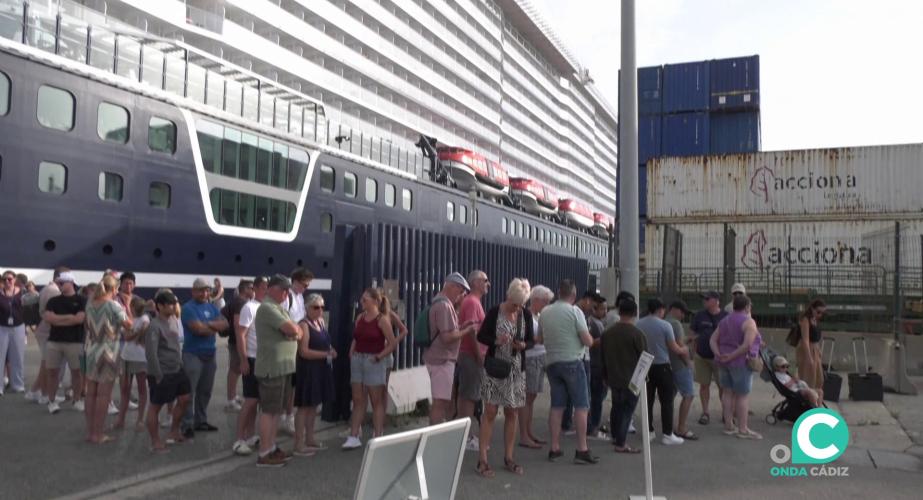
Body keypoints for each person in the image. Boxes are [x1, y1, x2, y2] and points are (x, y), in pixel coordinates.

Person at [474, 279, 534, 478]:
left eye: (520, 304)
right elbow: (481, 336)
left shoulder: (525, 314)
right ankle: (483, 459)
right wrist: (497, 341)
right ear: (508, 295)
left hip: (516, 370)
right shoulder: (494, 312)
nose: (517, 307)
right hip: (495, 368)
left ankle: (509, 457)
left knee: (512, 412)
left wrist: (524, 345)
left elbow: (532, 340)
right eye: (514, 303)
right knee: (490, 411)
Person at [538, 279, 598, 464]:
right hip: (572, 361)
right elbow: (587, 341)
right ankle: (582, 449)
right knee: (581, 406)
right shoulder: (575, 312)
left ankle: (554, 448)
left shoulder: (545, 312)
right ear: (573, 295)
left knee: (557, 406)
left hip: (552, 363)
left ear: (558, 292)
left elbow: (539, 339)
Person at [254, 274, 303, 467]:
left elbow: (296, 329)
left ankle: (271, 446)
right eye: (283, 289)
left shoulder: (278, 308)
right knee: (269, 411)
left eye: (287, 290)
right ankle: (264, 452)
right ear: (272, 289)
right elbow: (292, 330)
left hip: (282, 368)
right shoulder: (267, 308)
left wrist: (294, 332)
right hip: (271, 368)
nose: (286, 293)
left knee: (276, 411)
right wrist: (293, 332)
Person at [343, 288, 396, 449]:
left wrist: (379, 356)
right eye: (362, 299)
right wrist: (352, 352)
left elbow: (392, 343)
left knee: (376, 400)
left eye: (365, 300)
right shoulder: (360, 317)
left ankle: (378, 434)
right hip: (358, 359)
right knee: (358, 399)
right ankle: (353, 436)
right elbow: (356, 337)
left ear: (375, 301)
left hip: (373, 360)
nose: (361, 302)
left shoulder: (381, 320)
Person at [83, 275, 132, 444]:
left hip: (91, 350)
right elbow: (129, 325)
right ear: (114, 289)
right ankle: (98, 434)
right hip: (109, 352)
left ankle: (90, 432)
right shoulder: (113, 305)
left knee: (91, 393)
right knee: (104, 395)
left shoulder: (90, 305)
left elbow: (87, 327)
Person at [423, 273, 476, 426]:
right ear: (452, 286)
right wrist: (467, 331)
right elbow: (447, 337)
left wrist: (462, 327)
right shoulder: (444, 305)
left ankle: (435, 433)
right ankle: (434, 437)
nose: (461, 296)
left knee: (440, 401)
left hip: (438, 357)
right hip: (442, 359)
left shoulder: (439, 303)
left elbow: (446, 331)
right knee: (440, 402)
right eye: (460, 291)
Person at [180, 278, 228, 438]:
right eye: (200, 290)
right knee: (189, 392)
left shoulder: (211, 307)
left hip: (210, 354)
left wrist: (206, 325)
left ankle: (200, 420)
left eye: (207, 290)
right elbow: (197, 329)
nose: (204, 293)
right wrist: (213, 326)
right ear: (193, 291)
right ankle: (186, 424)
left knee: (205, 391)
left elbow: (225, 324)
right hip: (193, 354)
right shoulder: (187, 308)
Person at [636, 299, 689, 445]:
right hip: (662, 366)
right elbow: (674, 348)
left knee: (648, 400)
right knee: (666, 401)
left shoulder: (638, 324)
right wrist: (685, 349)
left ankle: (649, 431)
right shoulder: (665, 325)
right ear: (660, 310)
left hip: (645, 365)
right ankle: (667, 434)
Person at [145, 291, 192, 453]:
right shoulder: (154, 326)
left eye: (174, 303)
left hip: (177, 368)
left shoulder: (173, 320)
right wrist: (157, 375)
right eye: (170, 304)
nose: (174, 306)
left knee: (185, 398)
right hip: (162, 371)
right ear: (160, 306)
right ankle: (155, 441)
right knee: (155, 407)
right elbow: (151, 353)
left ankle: (174, 431)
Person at [711, 294, 762, 440]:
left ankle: (729, 425)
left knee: (727, 393)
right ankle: (743, 428)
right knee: (742, 396)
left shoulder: (724, 320)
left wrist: (719, 354)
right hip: (740, 363)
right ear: (747, 307)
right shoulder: (749, 322)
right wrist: (732, 356)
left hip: (723, 362)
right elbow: (747, 345)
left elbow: (713, 340)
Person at [601, 300, 648, 453]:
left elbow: (602, 355)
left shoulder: (607, 333)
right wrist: (645, 378)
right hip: (632, 378)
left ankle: (615, 435)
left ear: (619, 312)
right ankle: (621, 442)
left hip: (613, 376)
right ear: (635, 313)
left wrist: (605, 375)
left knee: (616, 406)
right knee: (628, 410)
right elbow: (644, 357)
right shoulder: (637, 334)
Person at [293, 293, 336, 456]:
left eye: (322, 307)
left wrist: (331, 350)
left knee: (314, 406)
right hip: (308, 370)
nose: (320, 310)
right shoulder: (304, 325)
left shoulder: (321, 321)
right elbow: (303, 351)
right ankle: (298, 443)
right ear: (307, 308)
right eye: (316, 307)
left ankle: (310, 438)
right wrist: (326, 354)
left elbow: (325, 342)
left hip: (321, 369)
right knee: (304, 407)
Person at [233, 276, 268, 456]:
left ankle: (251, 435)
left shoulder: (267, 307)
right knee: (250, 400)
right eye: (263, 287)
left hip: (264, 360)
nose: (266, 290)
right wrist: (244, 359)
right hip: (252, 358)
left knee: (259, 400)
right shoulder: (249, 307)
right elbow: (241, 335)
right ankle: (239, 439)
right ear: (255, 288)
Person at [43, 271, 85, 414]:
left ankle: (77, 400)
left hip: (75, 341)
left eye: (62, 282)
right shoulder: (53, 301)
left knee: (77, 373)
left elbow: (80, 319)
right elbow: (48, 318)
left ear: (71, 282)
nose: (59, 285)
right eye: (59, 282)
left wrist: (58, 319)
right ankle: (52, 401)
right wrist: (70, 318)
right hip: (54, 342)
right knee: (52, 372)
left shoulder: (81, 300)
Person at [456, 270, 489, 451]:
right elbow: (471, 332)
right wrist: (479, 356)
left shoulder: (473, 302)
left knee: (467, 396)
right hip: (471, 355)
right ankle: (466, 438)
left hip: (470, 354)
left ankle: (465, 434)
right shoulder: (472, 302)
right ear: (475, 282)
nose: (488, 284)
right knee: (469, 397)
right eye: (485, 280)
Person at [519, 284, 553, 448]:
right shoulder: (527, 316)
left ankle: (528, 431)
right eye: (545, 301)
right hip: (531, 357)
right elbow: (531, 338)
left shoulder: (539, 316)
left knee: (531, 397)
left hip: (540, 356)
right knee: (527, 397)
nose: (547, 304)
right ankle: (524, 435)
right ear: (536, 300)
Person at [26, 268, 65, 404]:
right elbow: (54, 313)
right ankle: (44, 394)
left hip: (43, 329)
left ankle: (34, 391)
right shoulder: (53, 292)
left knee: (45, 363)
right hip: (47, 331)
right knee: (48, 364)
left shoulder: (47, 289)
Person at [689, 291, 728, 425]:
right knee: (704, 385)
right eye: (703, 299)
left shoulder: (725, 316)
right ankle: (705, 412)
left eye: (707, 299)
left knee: (722, 386)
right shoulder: (699, 315)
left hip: (719, 358)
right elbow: (693, 333)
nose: (704, 301)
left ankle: (726, 414)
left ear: (716, 301)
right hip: (702, 356)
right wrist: (693, 353)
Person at [282, 268, 314, 433]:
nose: (305, 288)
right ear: (294, 281)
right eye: (304, 284)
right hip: (288, 345)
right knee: (289, 384)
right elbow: (285, 321)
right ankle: (287, 416)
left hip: (297, 344)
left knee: (293, 384)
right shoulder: (287, 298)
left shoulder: (300, 297)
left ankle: (288, 414)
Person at [113, 297, 150, 431]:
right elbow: (128, 336)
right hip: (126, 357)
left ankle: (140, 420)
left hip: (140, 359)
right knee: (125, 389)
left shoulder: (144, 319)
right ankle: (121, 420)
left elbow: (133, 334)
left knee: (141, 389)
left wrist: (134, 333)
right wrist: (138, 334)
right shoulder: (131, 320)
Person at [576, 291, 607, 438]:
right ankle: (590, 427)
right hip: (588, 361)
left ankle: (590, 426)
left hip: (587, 360)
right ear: (588, 301)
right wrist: (600, 341)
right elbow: (587, 341)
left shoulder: (587, 318)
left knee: (588, 396)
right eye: (595, 305)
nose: (595, 307)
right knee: (590, 397)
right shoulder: (582, 317)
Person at [665, 301, 697, 440]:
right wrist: (689, 363)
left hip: (666, 364)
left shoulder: (663, 322)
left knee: (669, 396)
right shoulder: (676, 324)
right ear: (675, 309)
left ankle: (668, 425)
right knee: (688, 394)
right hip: (679, 365)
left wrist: (685, 339)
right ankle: (681, 428)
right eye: (682, 312)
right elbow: (679, 346)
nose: (683, 315)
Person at [223, 279, 253, 413]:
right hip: (237, 342)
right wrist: (242, 343)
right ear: (245, 289)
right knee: (235, 370)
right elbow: (237, 325)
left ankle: (233, 396)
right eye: (251, 288)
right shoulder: (241, 303)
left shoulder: (235, 300)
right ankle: (230, 400)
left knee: (235, 370)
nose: (253, 291)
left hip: (234, 341)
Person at [0, 269, 26, 395]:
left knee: (18, 357)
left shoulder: (22, 293)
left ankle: (18, 384)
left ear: (15, 280)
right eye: (4, 279)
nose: (7, 281)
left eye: (10, 279)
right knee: (0, 357)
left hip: (18, 327)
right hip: (2, 328)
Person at [794, 299, 826, 400]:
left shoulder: (814, 320)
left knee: (818, 378)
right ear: (812, 309)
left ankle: (815, 400)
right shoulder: (805, 320)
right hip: (807, 350)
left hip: (815, 349)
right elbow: (805, 340)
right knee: (808, 377)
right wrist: (809, 357)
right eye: (818, 312)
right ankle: (808, 401)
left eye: (822, 313)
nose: (820, 315)